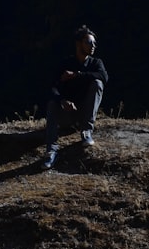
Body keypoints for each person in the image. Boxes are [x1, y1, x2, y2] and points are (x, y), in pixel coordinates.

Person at [43, 25, 109, 169]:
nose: (93, 46)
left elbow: (104, 77)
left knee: (98, 83)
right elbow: (52, 87)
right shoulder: (66, 63)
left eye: (94, 43)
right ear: (79, 44)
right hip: (68, 113)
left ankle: (87, 131)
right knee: (52, 103)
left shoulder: (95, 63)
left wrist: (77, 74)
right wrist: (62, 100)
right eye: (89, 42)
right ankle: (51, 151)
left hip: (85, 113)